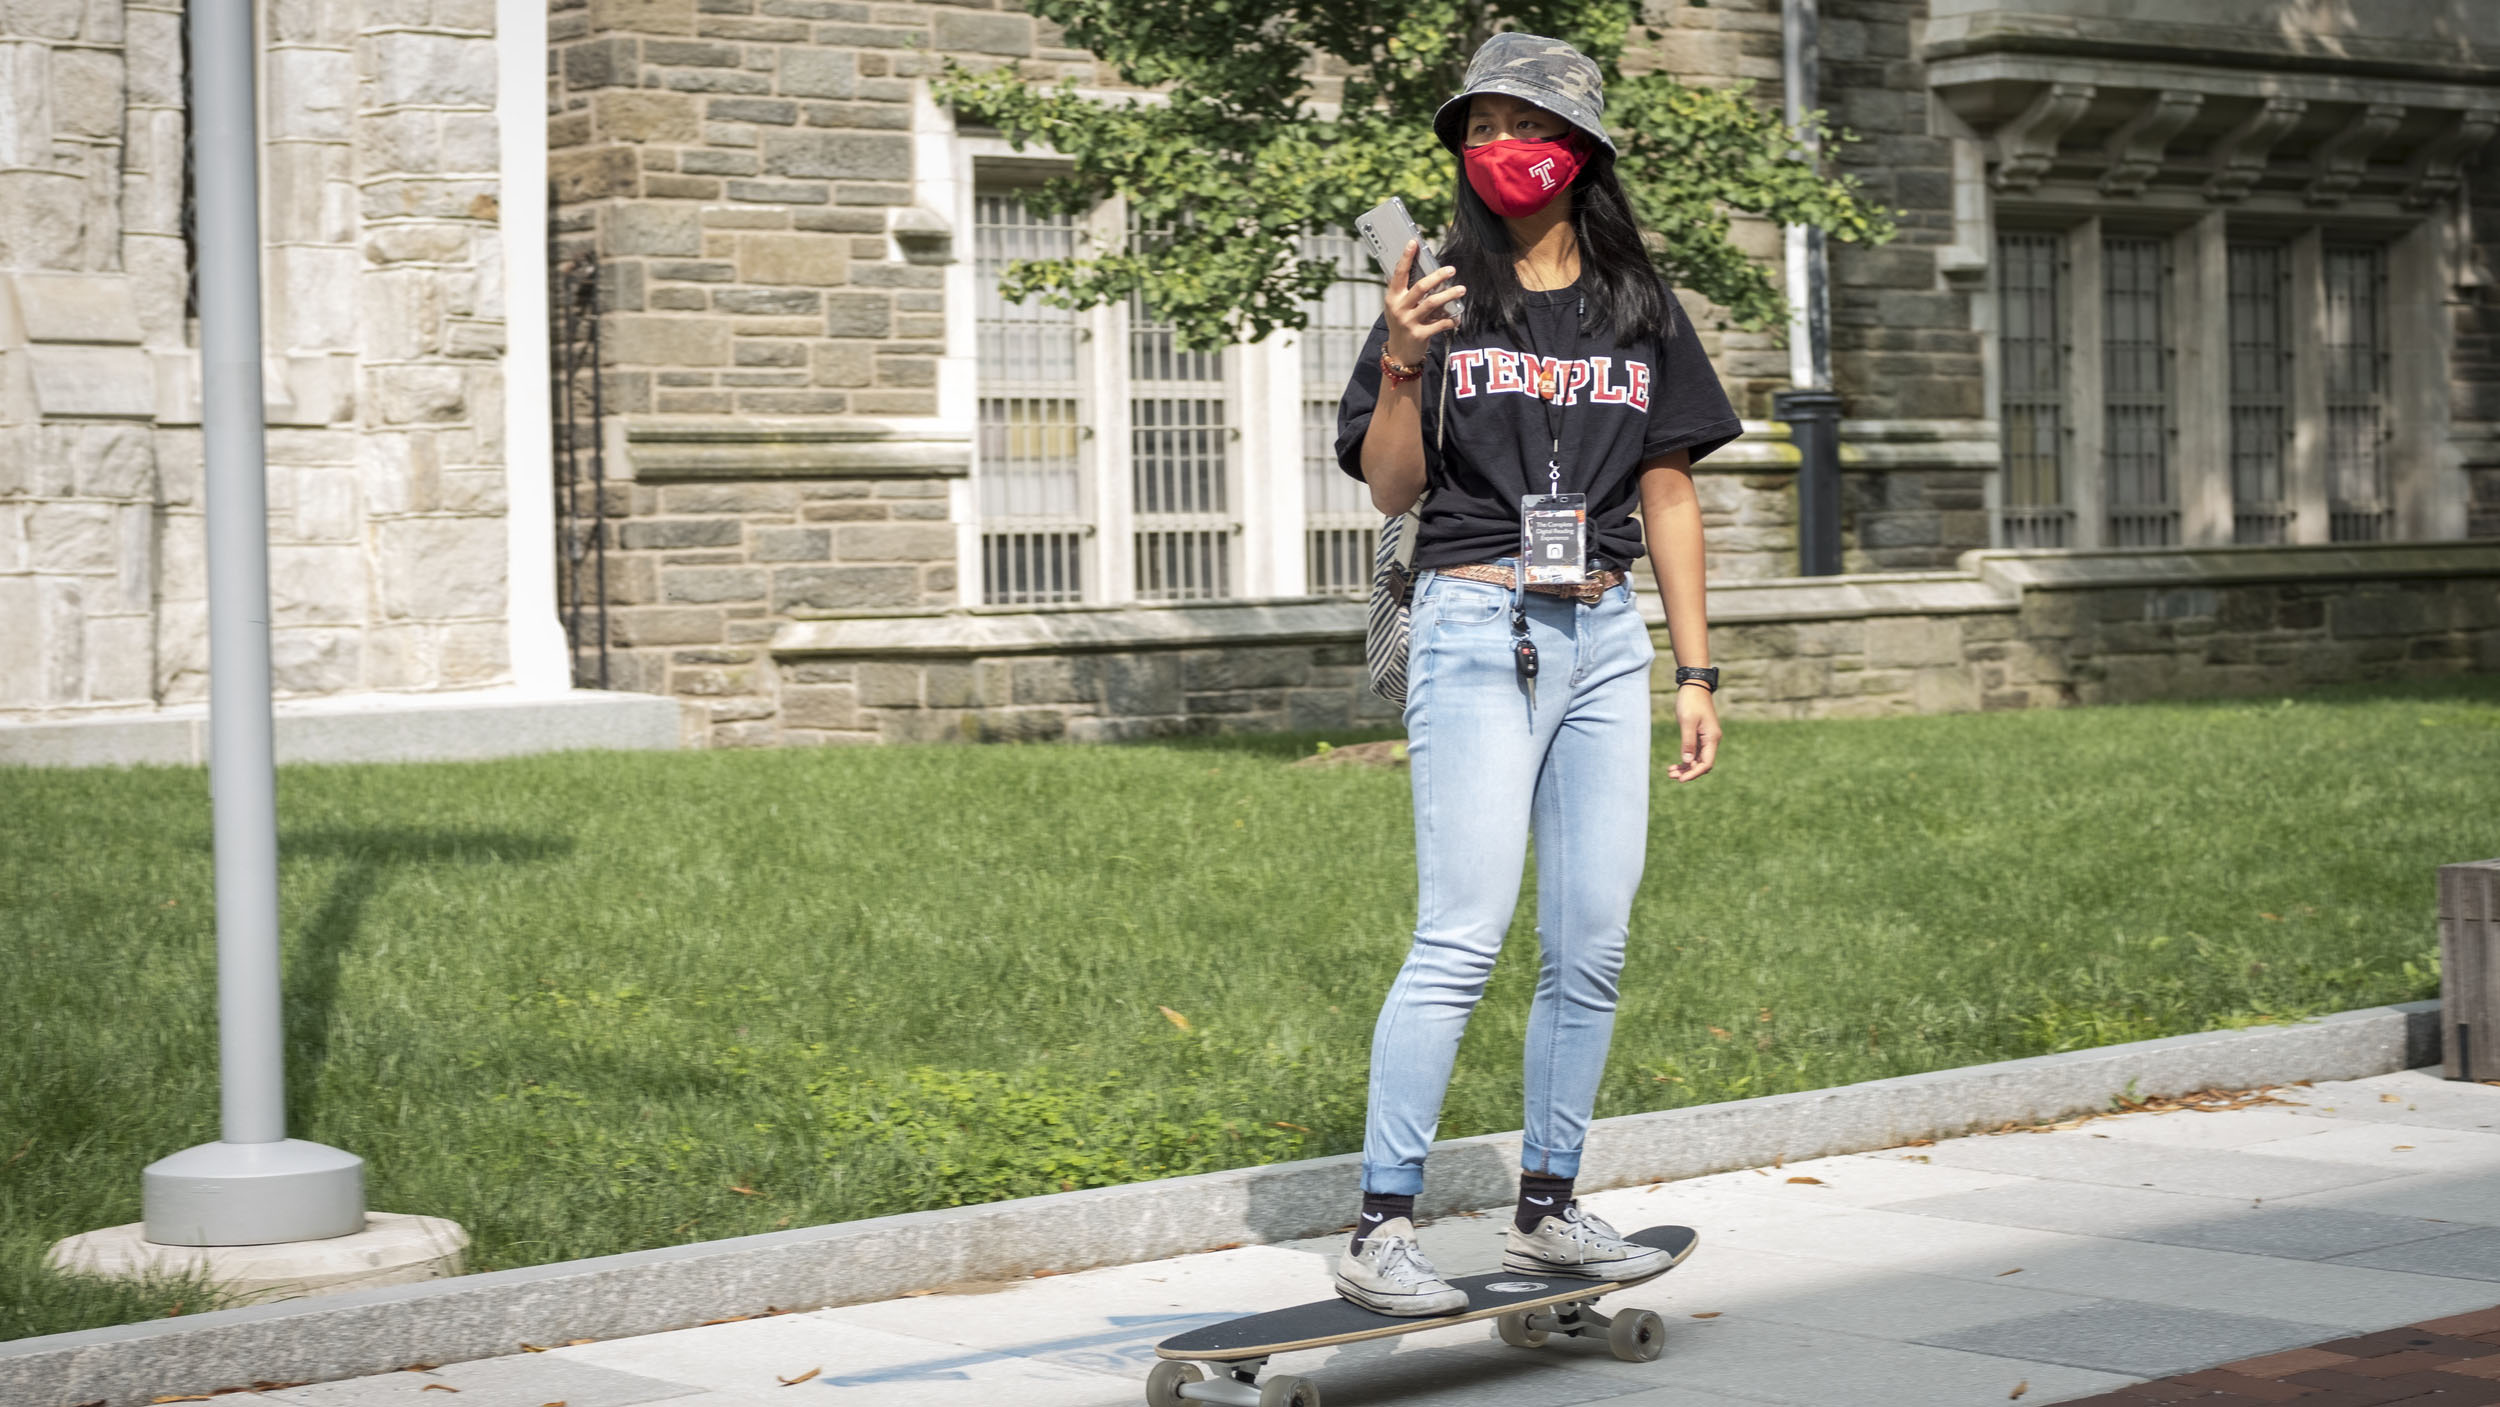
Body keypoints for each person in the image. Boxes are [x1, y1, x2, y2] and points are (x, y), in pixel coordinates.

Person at [1330, 33, 1740, 1316]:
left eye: (1530, 122)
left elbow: (1667, 487)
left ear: (1583, 150)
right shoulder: (1436, 287)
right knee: (1460, 932)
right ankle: (1379, 1225)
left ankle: (1549, 1209)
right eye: (1483, 123)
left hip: (1610, 637)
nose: (1504, 145)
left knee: (1593, 941)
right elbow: (1389, 484)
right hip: (1474, 622)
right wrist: (1400, 357)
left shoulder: (1638, 303)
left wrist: (1697, 668)